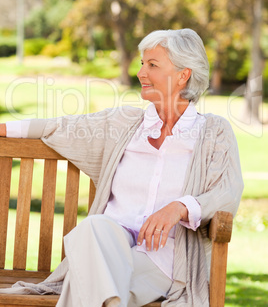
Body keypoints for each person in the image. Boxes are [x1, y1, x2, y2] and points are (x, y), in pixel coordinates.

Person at [0, 28, 244, 307]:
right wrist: (4, 128)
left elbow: (227, 192)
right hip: (105, 246)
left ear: (182, 75)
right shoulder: (125, 124)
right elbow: (61, 127)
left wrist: (179, 207)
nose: (141, 73)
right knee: (93, 227)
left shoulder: (213, 132)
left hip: (163, 261)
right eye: (142, 63)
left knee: (88, 284)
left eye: (152, 65)